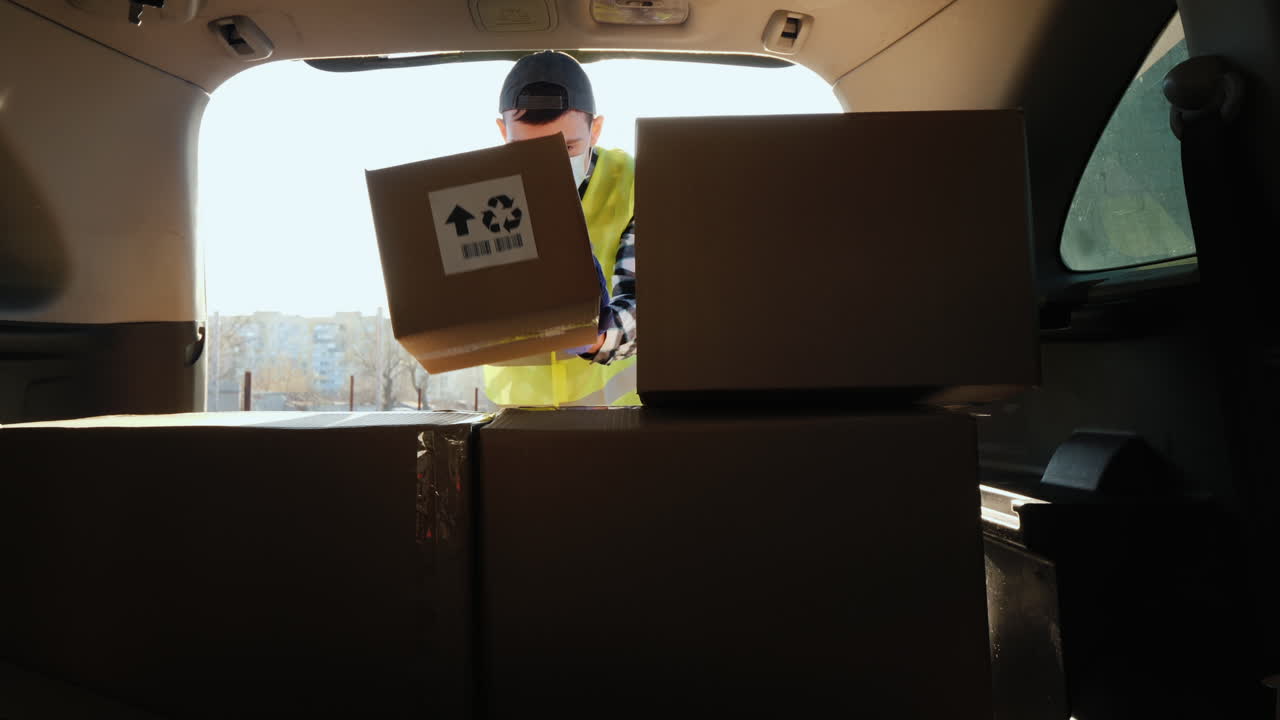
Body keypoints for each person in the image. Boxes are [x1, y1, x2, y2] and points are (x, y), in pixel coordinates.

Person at [483, 51, 639, 407]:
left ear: (595, 130)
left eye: (566, 147)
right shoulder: (475, 192)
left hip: (613, 419)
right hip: (516, 419)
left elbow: (651, 300)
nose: (548, 165)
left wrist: (599, 337)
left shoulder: (634, 183)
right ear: (502, 131)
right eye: (528, 149)